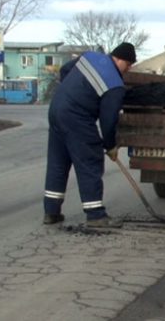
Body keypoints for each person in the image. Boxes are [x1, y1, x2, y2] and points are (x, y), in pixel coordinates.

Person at [42, 42, 137, 228]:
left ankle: (51, 212)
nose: (128, 69)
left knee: (58, 162)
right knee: (90, 162)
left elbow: (65, 70)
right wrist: (110, 146)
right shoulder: (115, 85)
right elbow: (108, 120)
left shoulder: (89, 57)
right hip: (77, 118)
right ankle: (95, 215)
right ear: (118, 59)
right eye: (128, 64)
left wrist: (72, 92)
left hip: (56, 109)